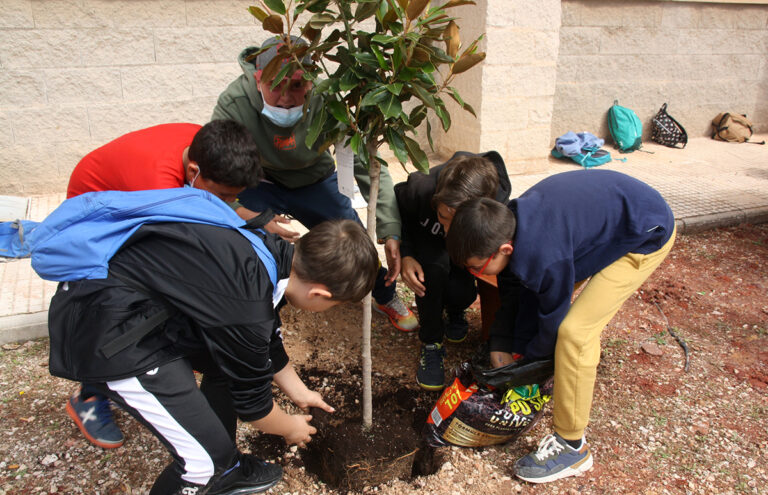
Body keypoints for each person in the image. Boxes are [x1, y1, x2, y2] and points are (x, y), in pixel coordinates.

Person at [45, 205, 379, 494]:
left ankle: (223, 456)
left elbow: (263, 343)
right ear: (320, 295)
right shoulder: (248, 303)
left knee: (227, 371)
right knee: (204, 465)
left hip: (133, 305)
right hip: (109, 333)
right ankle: (217, 464)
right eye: (335, 305)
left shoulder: (271, 253)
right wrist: (289, 426)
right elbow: (255, 407)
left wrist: (299, 391)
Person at [445, 169, 676, 484]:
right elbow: (514, 292)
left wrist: (528, 370)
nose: (475, 273)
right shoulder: (506, 226)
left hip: (645, 232)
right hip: (608, 220)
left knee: (574, 335)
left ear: (505, 250)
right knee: (534, 295)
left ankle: (572, 447)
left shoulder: (544, 257)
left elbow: (551, 322)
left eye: (476, 266)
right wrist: (502, 345)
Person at [64, 120, 264, 450]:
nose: (227, 202)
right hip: (95, 215)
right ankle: (89, 395)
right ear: (193, 170)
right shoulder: (157, 188)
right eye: (224, 195)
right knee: (115, 308)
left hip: (129, 188)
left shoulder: (208, 143)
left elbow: (211, 212)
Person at [211, 35, 417, 333]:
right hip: (258, 180)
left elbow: (366, 162)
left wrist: (390, 228)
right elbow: (213, 173)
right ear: (257, 79)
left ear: (310, 81)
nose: (285, 98)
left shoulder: (329, 99)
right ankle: (260, 312)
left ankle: (382, 294)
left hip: (315, 178)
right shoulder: (235, 103)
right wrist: (251, 216)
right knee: (247, 241)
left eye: (296, 85)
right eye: (275, 86)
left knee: (354, 243)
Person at [394, 151, 511, 390]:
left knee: (463, 291)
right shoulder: (420, 188)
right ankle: (431, 342)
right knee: (431, 275)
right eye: (442, 216)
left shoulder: (496, 202)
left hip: (465, 248)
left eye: (455, 223)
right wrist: (406, 253)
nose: (447, 229)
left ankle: (456, 310)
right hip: (428, 242)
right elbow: (400, 212)